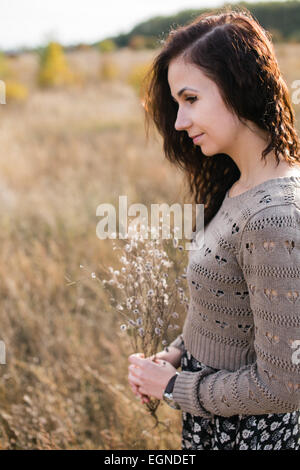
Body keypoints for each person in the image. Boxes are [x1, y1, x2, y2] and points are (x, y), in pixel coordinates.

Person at [128, 7, 300, 450]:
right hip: (218, 420)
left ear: (239, 85)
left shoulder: (273, 216)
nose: (180, 123)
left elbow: (286, 384)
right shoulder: (239, 185)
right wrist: (179, 353)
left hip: (249, 435)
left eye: (190, 99)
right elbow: (231, 308)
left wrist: (173, 386)